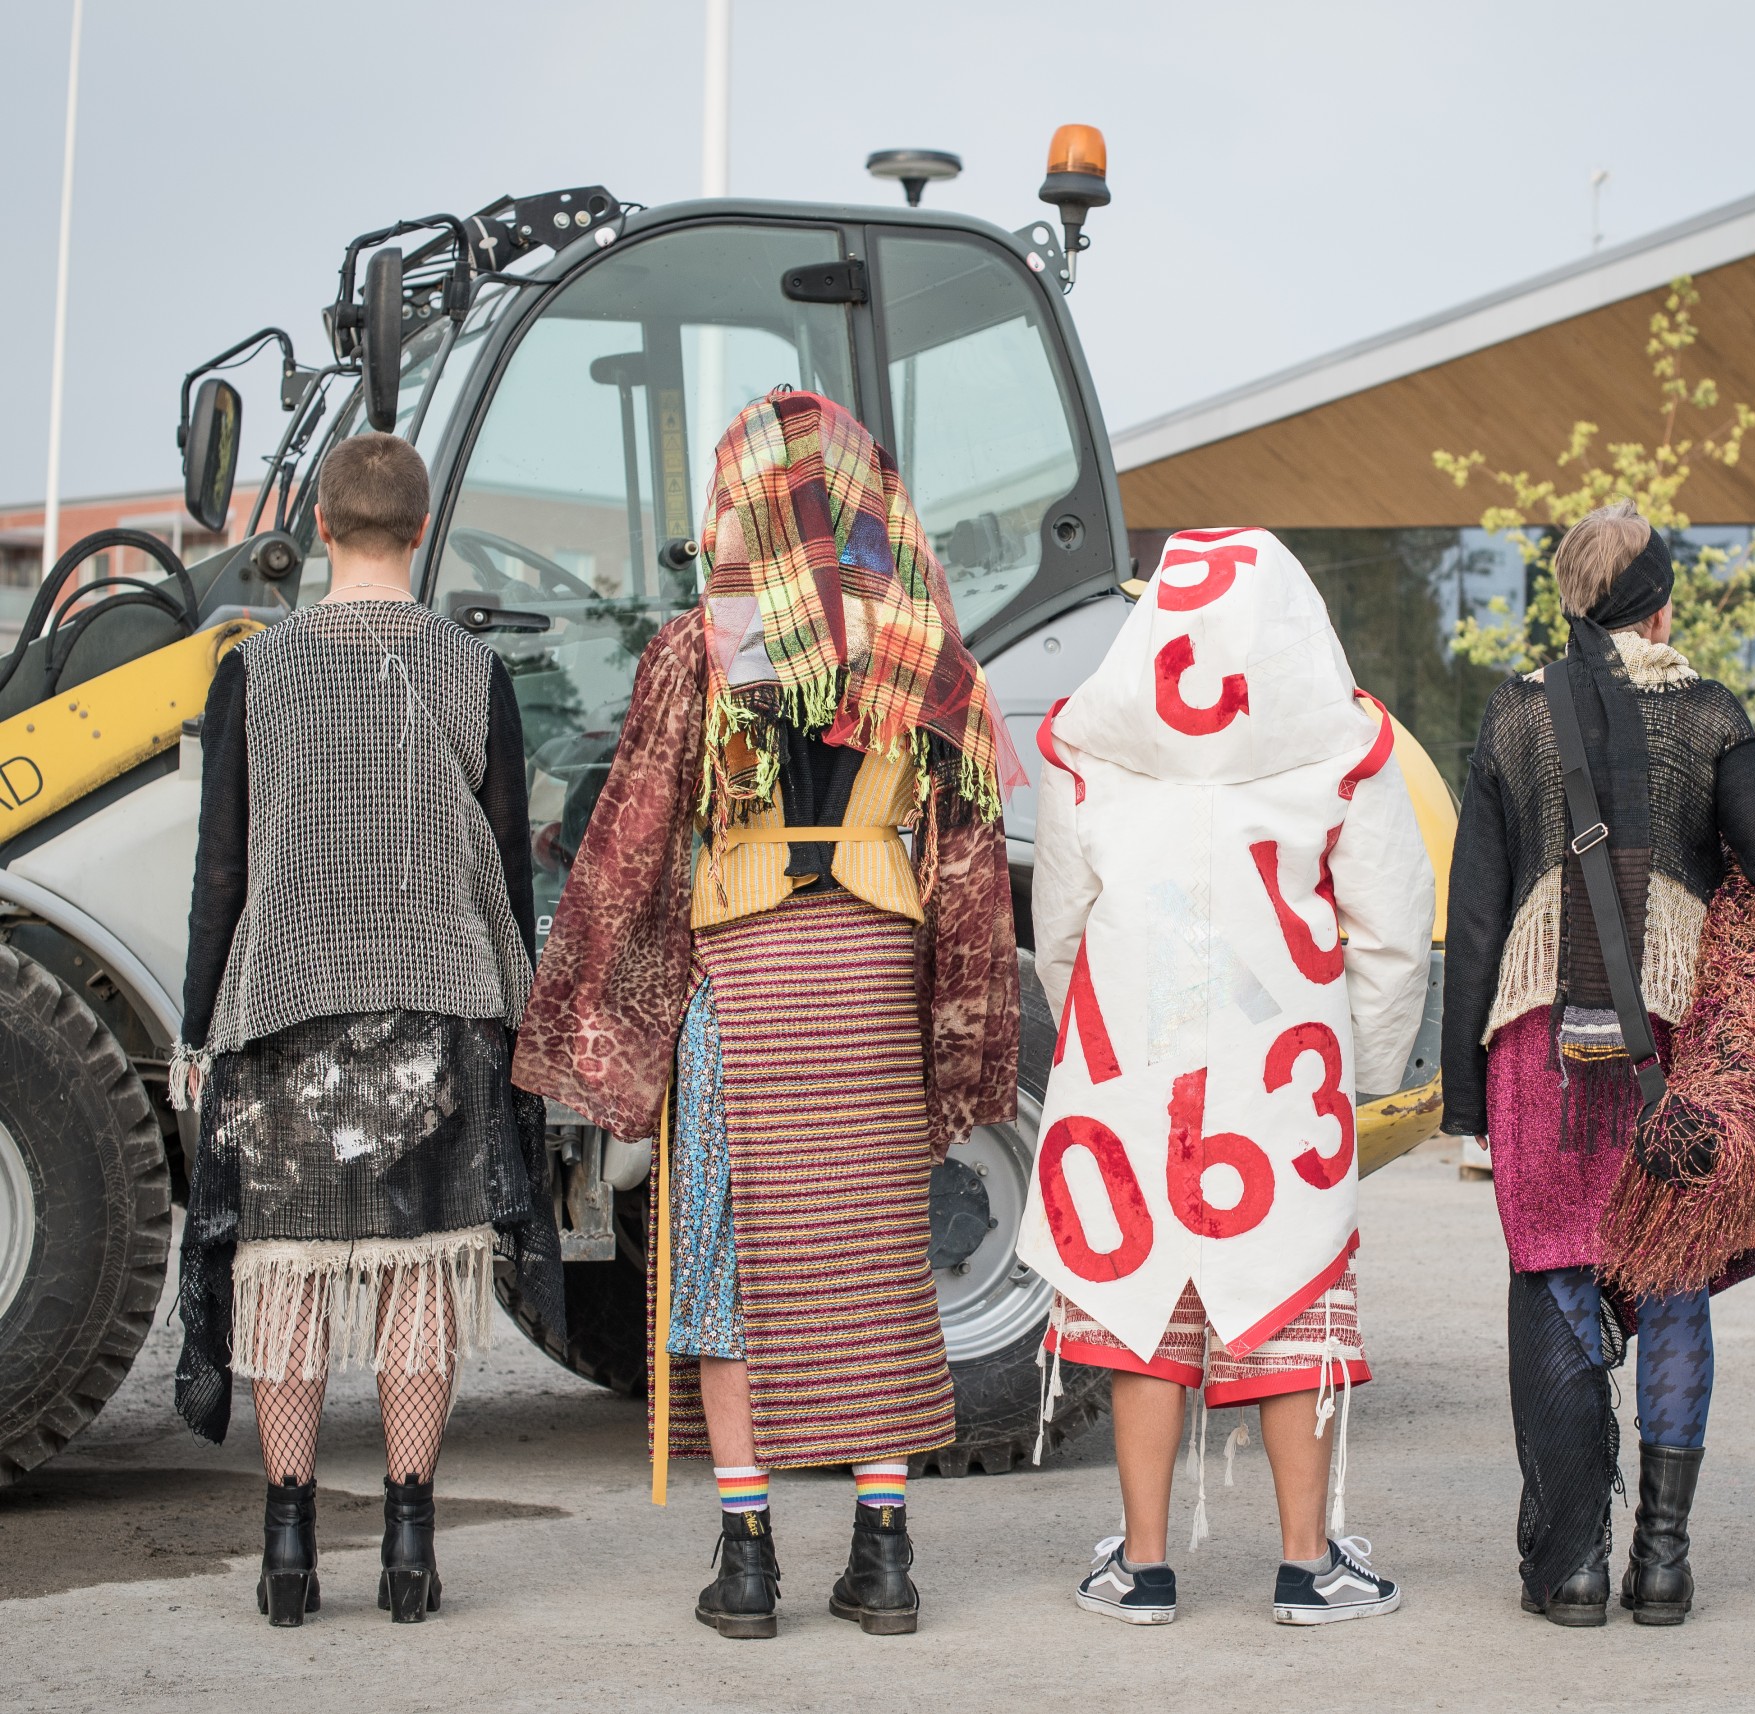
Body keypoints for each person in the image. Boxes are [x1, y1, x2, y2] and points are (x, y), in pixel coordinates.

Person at [513, 390, 1019, 1642]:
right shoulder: (934, 661)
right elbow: (970, 877)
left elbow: (631, 842)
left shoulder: (698, 649)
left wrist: (595, 1012)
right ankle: (884, 1557)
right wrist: (963, 1042)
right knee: (873, 1269)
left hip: (744, 982)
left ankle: (746, 1563)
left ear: (742, 498)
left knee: (729, 1269)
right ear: (867, 503)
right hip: (871, 983)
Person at [170, 430, 560, 1627]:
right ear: (420, 527)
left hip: (284, 1004)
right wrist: (524, 1000)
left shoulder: (258, 670)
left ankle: (289, 1547)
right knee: (419, 1271)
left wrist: (198, 1026)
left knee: (285, 1270)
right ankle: (409, 1543)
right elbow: (503, 863)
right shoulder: (470, 670)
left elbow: (222, 865)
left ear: (325, 531)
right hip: (438, 1003)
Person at [1021, 527, 1434, 1626]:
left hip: (1130, 1066)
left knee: (1141, 1305)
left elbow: (1060, 926)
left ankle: (1144, 1566)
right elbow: (1393, 935)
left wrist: (1094, 1042)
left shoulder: (1085, 749)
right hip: (1282, 1070)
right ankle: (1308, 1564)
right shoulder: (1345, 747)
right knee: (1290, 1294)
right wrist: (1363, 1077)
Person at [1442, 503, 1755, 1627]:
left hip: (1535, 1038)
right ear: (1662, 603)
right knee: (1671, 1273)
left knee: (1557, 1270)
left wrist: (1467, 1097)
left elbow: (1473, 917)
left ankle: (1568, 1568)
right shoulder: (1709, 712)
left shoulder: (1515, 715)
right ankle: (1661, 1563)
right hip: (1671, 1035)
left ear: (1570, 604)